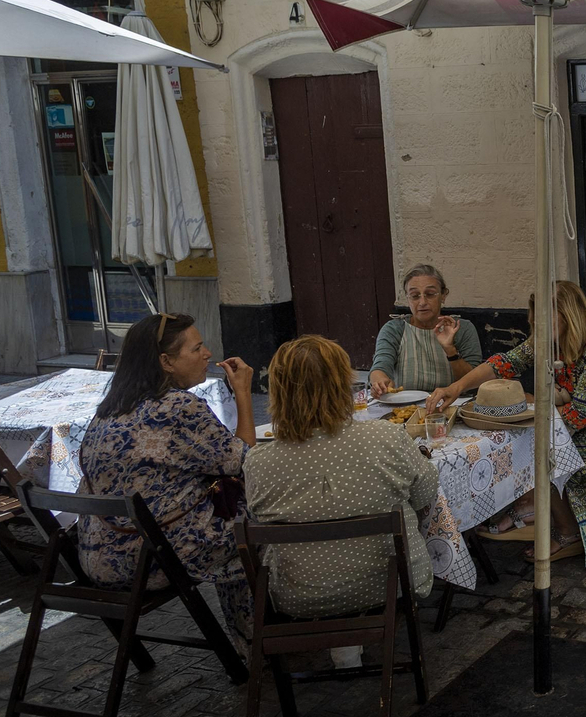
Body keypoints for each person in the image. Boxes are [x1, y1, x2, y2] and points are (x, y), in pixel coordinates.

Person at [427, 280, 586, 564]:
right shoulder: (549, 342)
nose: (538, 331)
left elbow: (578, 416)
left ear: (570, 316)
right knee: (530, 444)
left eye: (544, 322)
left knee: (541, 454)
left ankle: (564, 528)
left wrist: (520, 416)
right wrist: (456, 388)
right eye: (535, 323)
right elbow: (504, 363)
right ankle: (533, 506)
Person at [78, 313, 257, 648]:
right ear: (166, 361)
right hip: (151, 560)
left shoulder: (109, 408)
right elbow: (243, 460)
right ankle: (254, 642)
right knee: (254, 522)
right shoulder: (177, 408)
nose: (207, 354)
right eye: (197, 348)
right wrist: (243, 392)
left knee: (232, 511)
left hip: (97, 556)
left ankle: (252, 639)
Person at [244, 336, 439, 643]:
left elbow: (258, 516)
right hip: (388, 582)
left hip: (298, 595)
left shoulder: (259, 460)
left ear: (278, 391)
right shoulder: (386, 438)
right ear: (342, 385)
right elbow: (426, 494)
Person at [369, 264, 483, 397]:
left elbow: (473, 382)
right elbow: (380, 366)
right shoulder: (394, 329)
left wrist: (450, 350)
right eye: (415, 296)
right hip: (406, 406)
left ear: (443, 295)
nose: (422, 302)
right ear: (407, 298)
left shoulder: (461, 328)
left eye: (430, 294)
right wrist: (379, 382)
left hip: (452, 405)